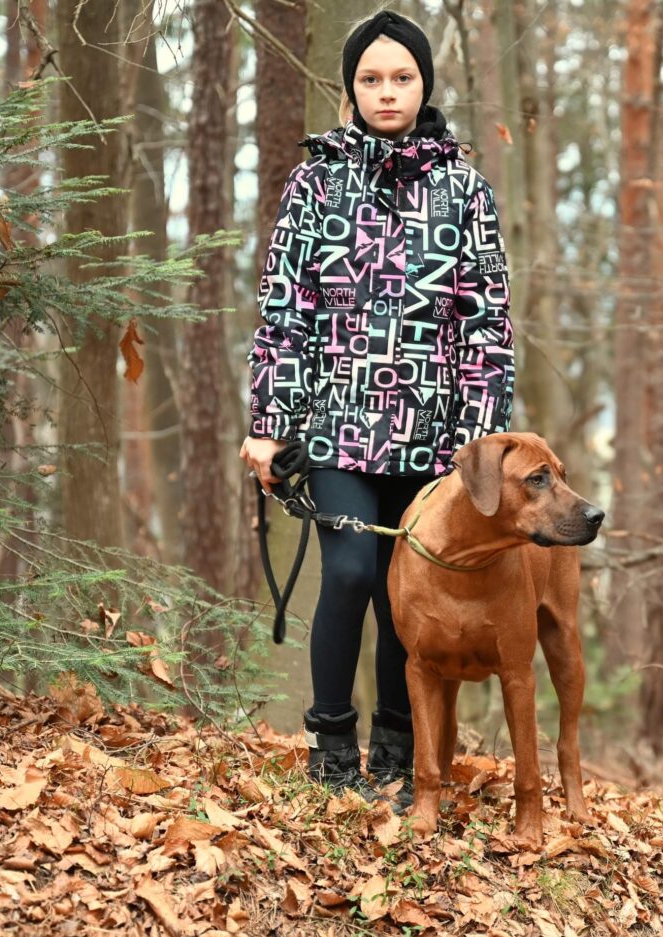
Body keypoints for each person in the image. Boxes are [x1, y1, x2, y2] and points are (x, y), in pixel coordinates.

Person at [239, 11, 515, 803]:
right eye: (370, 79)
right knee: (354, 569)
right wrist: (269, 426)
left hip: (436, 438)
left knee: (410, 591)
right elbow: (285, 312)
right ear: (350, 88)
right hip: (338, 429)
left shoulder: (465, 190)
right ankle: (331, 751)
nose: (386, 92)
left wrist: (479, 447)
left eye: (402, 77)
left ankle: (399, 751)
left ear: (424, 85)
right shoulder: (315, 183)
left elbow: (487, 325)